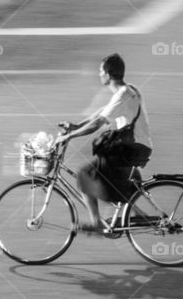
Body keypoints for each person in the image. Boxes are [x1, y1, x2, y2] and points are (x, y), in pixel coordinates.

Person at [54, 53, 153, 234]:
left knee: (85, 175)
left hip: (131, 149)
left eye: (100, 71)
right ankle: (138, 213)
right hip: (135, 147)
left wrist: (69, 136)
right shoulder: (128, 90)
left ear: (108, 74)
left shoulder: (123, 94)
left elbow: (98, 123)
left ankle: (96, 223)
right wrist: (76, 126)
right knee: (111, 179)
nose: (99, 74)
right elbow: (101, 113)